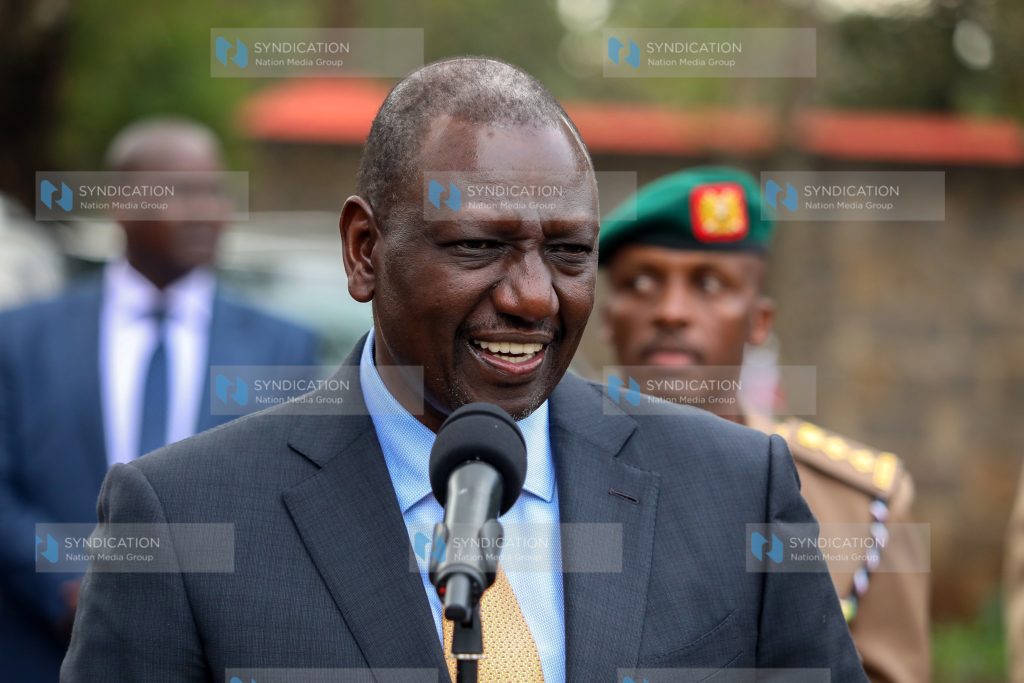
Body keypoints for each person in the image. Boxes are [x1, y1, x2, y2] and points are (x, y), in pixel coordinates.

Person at [62, 60, 867, 682]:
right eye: (478, 246)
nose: (532, 298)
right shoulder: (181, 518)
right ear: (364, 251)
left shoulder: (736, 490)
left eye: (567, 253)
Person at [0, 117, 319, 681]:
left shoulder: (282, 346)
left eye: (215, 191)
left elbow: (294, 493)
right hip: (43, 649)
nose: (205, 209)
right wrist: (68, 585)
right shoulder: (21, 339)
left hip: (218, 652)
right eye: (181, 191)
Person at [599, 167, 930, 683]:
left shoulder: (863, 505)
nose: (670, 311)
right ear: (607, 316)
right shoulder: (538, 476)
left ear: (759, 321)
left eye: (710, 284)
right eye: (640, 283)